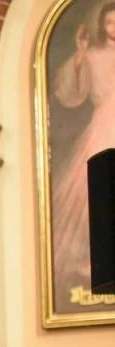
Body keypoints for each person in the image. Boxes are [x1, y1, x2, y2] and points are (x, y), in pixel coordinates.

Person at [51, 3, 115, 301]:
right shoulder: (91, 56)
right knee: (94, 194)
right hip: (104, 123)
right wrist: (79, 54)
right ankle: (92, 260)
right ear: (102, 26)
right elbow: (69, 92)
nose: (114, 28)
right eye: (110, 23)